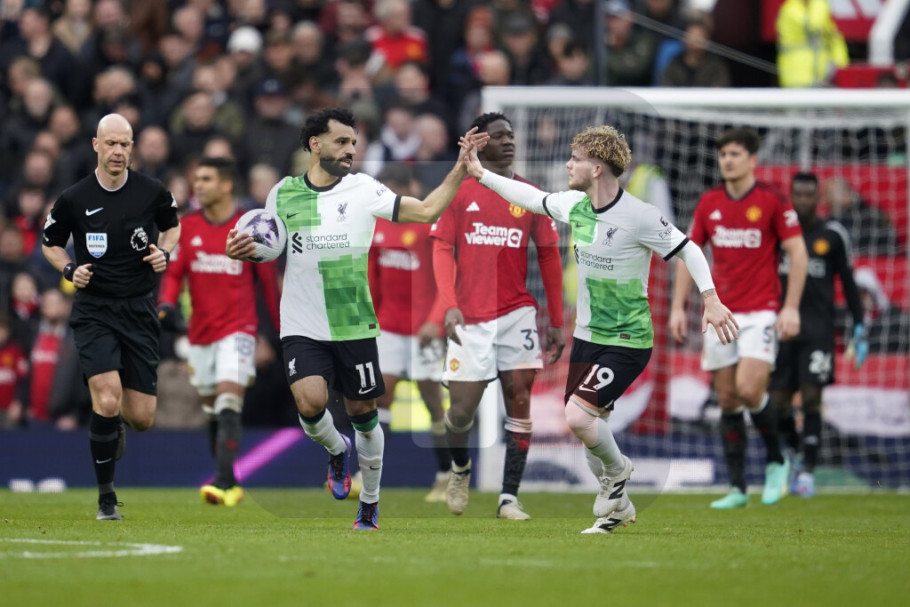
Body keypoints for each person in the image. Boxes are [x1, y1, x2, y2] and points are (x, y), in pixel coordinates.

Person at [461, 124, 738, 533]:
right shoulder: (575, 204)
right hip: (587, 336)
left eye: (576, 159)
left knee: (578, 416)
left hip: (628, 340)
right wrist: (481, 174)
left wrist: (710, 298)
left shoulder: (640, 216)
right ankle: (618, 509)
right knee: (592, 426)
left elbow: (689, 250)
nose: (568, 164)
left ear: (596, 169)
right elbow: (531, 198)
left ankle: (619, 470)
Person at [225, 107, 486, 530]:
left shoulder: (364, 189)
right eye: (342, 141)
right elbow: (266, 245)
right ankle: (336, 449)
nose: (351, 149)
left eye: (354, 143)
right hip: (302, 322)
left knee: (365, 411)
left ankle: (369, 502)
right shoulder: (282, 193)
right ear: (315, 144)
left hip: (353, 322)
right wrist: (239, 250)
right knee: (310, 404)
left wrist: (459, 169)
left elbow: (425, 211)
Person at [42, 113, 181, 521]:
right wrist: (70, 269)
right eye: (111, 143)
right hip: (95, 309)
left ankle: (113, 420)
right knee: (106, 398)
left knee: (141, 418)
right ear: (96, 145)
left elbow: (172, 227)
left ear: (132, 148)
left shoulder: (153, 192)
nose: (118, 151)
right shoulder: (74, 198)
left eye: (124, 144)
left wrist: (164, 252)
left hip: (139, 308)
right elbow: (50, 244)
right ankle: (106, 500)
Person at [431, 112, 566, 520]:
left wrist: (556, 321)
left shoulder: (530, 195)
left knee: (520, 401)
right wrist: (449, 303)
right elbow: (441, 248)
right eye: (499, 135)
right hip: (470, 317)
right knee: (460, 413)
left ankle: (509, 497)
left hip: (516, 312)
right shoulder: (459, 193)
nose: (509, 141)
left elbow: (549, 256)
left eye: (511, 135)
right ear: (480, 143)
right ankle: (460, 469)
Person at [669, 127, 808, 509]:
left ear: (752, 159)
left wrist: (791, 307)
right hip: (720, 312)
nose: (727, 160)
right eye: (723, 154)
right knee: (728, 398)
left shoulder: (771, 200)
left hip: (761, 311)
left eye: (734, 154)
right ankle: (737, 488)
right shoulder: (710, 202)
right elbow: (688, 253)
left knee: (749, 389)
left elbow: (798, 253)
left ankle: (777, 461)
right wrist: (678, 307)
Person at [158, 157, 280, 507]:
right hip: (200, 333)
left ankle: (224, 482)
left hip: (239, 330)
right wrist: (166, 304)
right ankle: (228, 476)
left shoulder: (250, 228)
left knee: (229, 398)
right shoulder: (188, 226)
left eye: (206, 179)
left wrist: (277, 332)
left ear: (226, 185)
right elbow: (174, 274)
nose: (198, 185)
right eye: (196, 179)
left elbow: (268, 286)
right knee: (213, 409)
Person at [769, 172, 866, 498]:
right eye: (798, 194)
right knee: (778, 402)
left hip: (818, 330)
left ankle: (808, 472)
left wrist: (859, 326)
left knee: (812, 397)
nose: (803, 200)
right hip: (782, 329)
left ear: (818, 197)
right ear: (791, 196)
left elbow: (849, 284)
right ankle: (798, 453)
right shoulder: (778, 232)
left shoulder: (833, 235)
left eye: (809, 195)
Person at [368, 162, 450, 502]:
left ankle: (446, 476)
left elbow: (448, 277)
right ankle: (369, 474)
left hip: (424, 330)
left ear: (410, 189)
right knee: (380, 397)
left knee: (432, 402)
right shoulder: (377, 227)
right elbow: (372, 280)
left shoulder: (430, 226)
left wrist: (435, 320)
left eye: (395, 192)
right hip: (388, 327)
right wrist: (370, 320)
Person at [775, 0, 849, 88]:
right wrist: (819, 3)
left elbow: (834, 39)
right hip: (797, 80)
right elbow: (813, 25)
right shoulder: (790, 8)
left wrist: (841, 68)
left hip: (822, 80)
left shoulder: (817, 11)